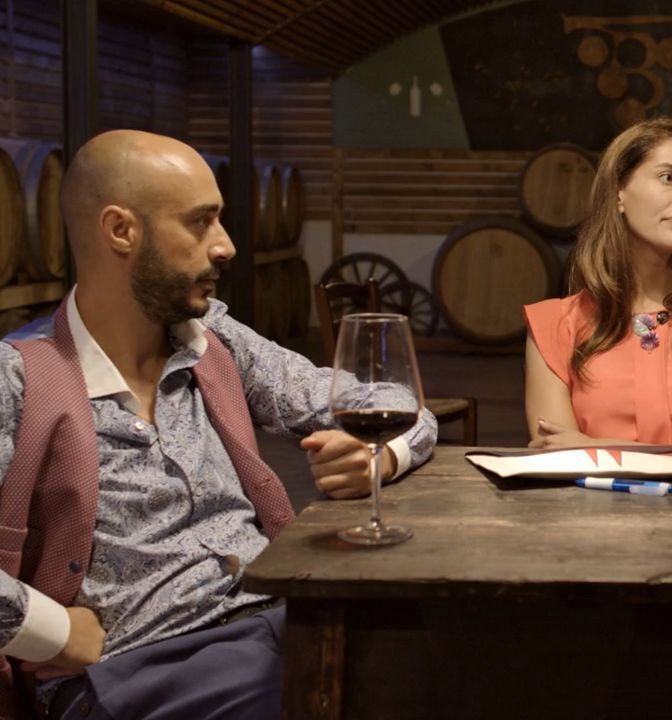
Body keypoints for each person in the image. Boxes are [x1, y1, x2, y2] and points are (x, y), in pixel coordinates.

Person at [0, 130, 439, 720]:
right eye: (201, 222)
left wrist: (380, 456)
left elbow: (397, 401)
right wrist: (49, 631)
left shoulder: (213, 341)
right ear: (121, 230)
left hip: (278, 619)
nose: (227, 245)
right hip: (144, 666)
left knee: (454, 659)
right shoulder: (19, 377)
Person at [524, 117, 672, 448]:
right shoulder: (553, 325)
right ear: (618, 193)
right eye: (669, 178)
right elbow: (556, 456)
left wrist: (595, 446)